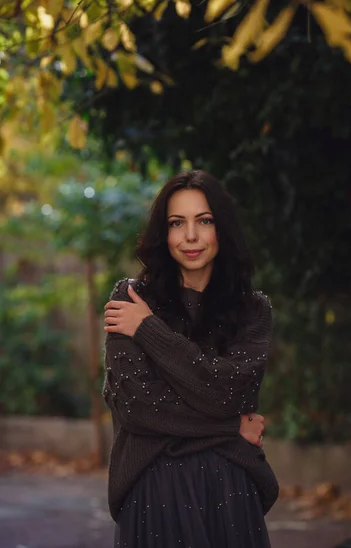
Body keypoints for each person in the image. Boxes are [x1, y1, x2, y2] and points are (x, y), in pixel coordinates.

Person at [102, 170, 279, 548]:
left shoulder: (253, 310)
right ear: (163, 234)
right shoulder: (130, 299)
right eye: (176, 223)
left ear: (222, 228)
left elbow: (227, 393)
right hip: (152, 488)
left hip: (232, 488)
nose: (191, 236)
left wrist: (148, 330)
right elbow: (137, 408)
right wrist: (232, 428)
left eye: (204, 221)